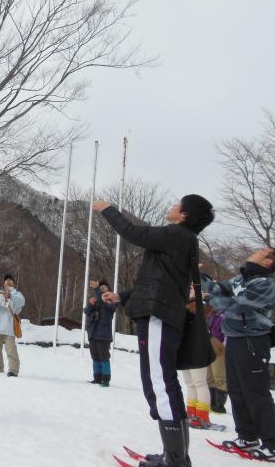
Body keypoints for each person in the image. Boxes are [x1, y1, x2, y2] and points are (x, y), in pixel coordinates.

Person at [96, 194, 215, 467]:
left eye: (177, 204)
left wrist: (107, 209)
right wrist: (124, 296)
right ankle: (176, 455)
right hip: (160, 313)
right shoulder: (182, 240)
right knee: (164, 382)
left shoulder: (177, 235)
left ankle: (174, 459)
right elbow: (160, 284)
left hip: (159, 318)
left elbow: (133, 232)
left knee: (161, 383)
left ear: (184, 214)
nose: (172, 206)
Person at [202, 247, 275, 461]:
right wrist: (198, 276)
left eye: (261, 251)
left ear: (268, 261)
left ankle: (273, 445)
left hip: (253, 341)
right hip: (235, 338)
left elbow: (237, 306)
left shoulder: (264, 284)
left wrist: (210, 299)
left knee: (256, 393)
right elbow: (218, 288)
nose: (255, 251)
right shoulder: (242, 278)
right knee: (237, 390)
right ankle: (247, 437)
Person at [180, 284, 212, 429]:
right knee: (190, 383)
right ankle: (191, 413)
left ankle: (203, 416)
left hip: (198, 349)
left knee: (199, 383)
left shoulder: (202, 309)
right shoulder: (182, 308)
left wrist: (196, 295)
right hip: (185, 350)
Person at [0, 273, 25, 378]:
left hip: (9, 327)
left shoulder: (17, 294)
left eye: (10, 281)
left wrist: (10, 296)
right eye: (6, 281)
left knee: (11, 350)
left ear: (13, 283)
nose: (8, 283)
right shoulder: (0, 292)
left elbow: (21, 302)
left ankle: (13, 370)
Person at [83, 279, 118, 387]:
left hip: (103, 335)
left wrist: (97, 289)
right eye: (100, 287)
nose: (102, 289)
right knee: (95, 357)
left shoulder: (112, 300)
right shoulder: (97, 300)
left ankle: (106, 379)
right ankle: (97, 378)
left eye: (104, 287)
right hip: (93, 333)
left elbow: (110, 306)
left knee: (104, 357)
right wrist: (90, 304)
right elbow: (87, 312)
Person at [206, 306, 228, 414]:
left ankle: (220, 405)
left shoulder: (224, 315)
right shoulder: (211, 314)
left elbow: (226, 333)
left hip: (219, 347)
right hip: (209, 346)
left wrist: (223, 345)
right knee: (209, 377)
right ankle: (212, 402)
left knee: (219, 376)